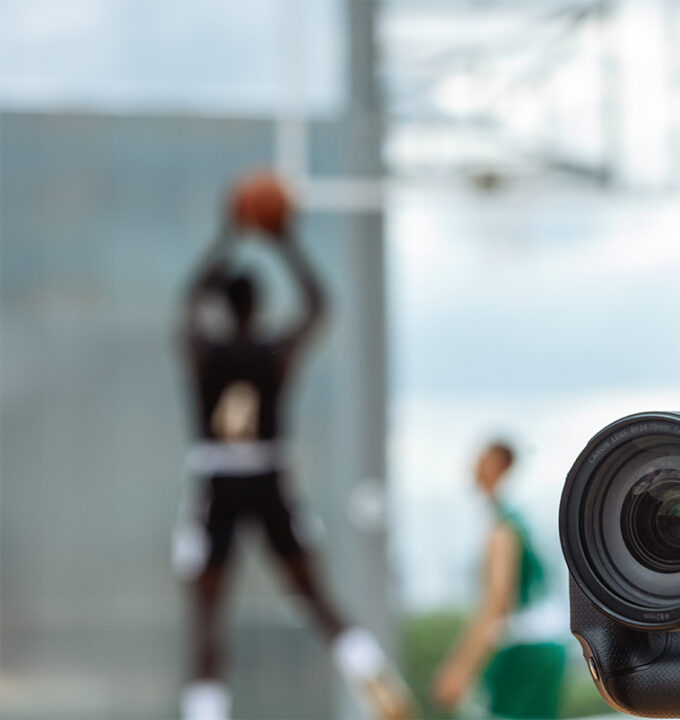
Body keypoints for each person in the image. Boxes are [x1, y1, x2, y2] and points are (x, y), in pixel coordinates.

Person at [175, 173, 413, 720]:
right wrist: (284, 241)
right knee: (313, 595)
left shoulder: (203, 351)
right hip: (267, 477)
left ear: (221, 302)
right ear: (257, 304)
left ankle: (204, 712)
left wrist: (226, 236)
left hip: (217, 481)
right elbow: (318, 304)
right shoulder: (273, 351)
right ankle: (370, 673)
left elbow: (188, 304)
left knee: (208, 613)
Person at [432, 442, 567, 719]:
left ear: (498, 465)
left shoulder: (503, 526)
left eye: (481, 459)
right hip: (546, 646)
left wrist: (461, 668)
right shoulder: (517, 519)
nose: (474, 467)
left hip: (525, 649)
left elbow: (496, 602)